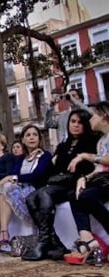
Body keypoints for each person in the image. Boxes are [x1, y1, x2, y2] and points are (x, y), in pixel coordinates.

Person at [22, 109, 99, 261]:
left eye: (80, 122)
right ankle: (54, 243)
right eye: (73, 121)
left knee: (44, 194)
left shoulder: (91, 142)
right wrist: (57, 160)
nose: (75, 125)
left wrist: (62, 161)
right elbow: (52, 169)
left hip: (77, 183)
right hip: (61, 183)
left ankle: (44, 242)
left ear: (86, 125)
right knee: (30, 198)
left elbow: (86, 167)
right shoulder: (64, 144)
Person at [0, 125, 52, 253]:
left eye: (35, 135)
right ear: (23, 140)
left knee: (5, 188)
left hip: (34, 190)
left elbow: (37, 175)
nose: (31, 138)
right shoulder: (21, 158)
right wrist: (9, 179)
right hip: (18, 189)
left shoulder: (45, 155)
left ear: (39, 139)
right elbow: (13, 174)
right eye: (28, 135)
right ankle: (2, 233)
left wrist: (10, 178)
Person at [63, 101, 109, 265]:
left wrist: (85, 156)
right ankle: (87, 239)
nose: (90, 119)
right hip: (103, 179)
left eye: (94, 115)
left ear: (104, 116)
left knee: (86, 196)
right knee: (74, 194)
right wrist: (85, 178)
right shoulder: (101, 141)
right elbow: (99, 168)